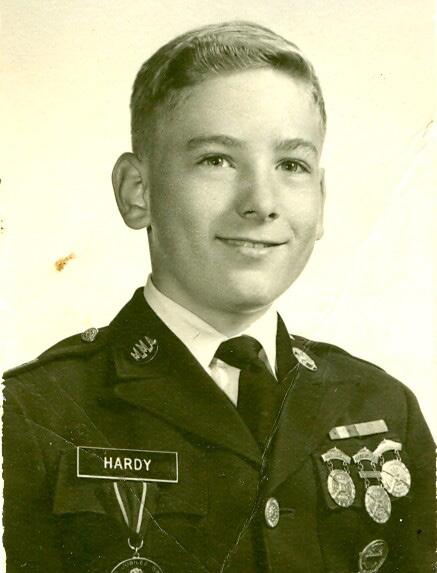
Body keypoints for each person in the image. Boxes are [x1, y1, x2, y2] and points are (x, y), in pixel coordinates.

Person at [3, 21, 434, 573]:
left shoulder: (382, 407)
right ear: (138, 192)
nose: (262, 202)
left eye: (291, 165)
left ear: (321, 200)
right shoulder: (30, 412)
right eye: (217, 160)